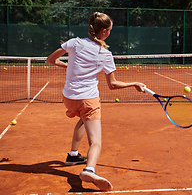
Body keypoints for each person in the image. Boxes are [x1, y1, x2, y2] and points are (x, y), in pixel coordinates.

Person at [47, 12, 146, 191]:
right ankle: (89, 170)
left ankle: (73, 155)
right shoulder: (105, 54)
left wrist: (68, 66)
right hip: (88, 100)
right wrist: (135, 84)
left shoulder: (75, 43)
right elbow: (113, 85)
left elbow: (51, 60)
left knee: (84, 120)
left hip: (68, 98)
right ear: (105, 32)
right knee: (96, 143)